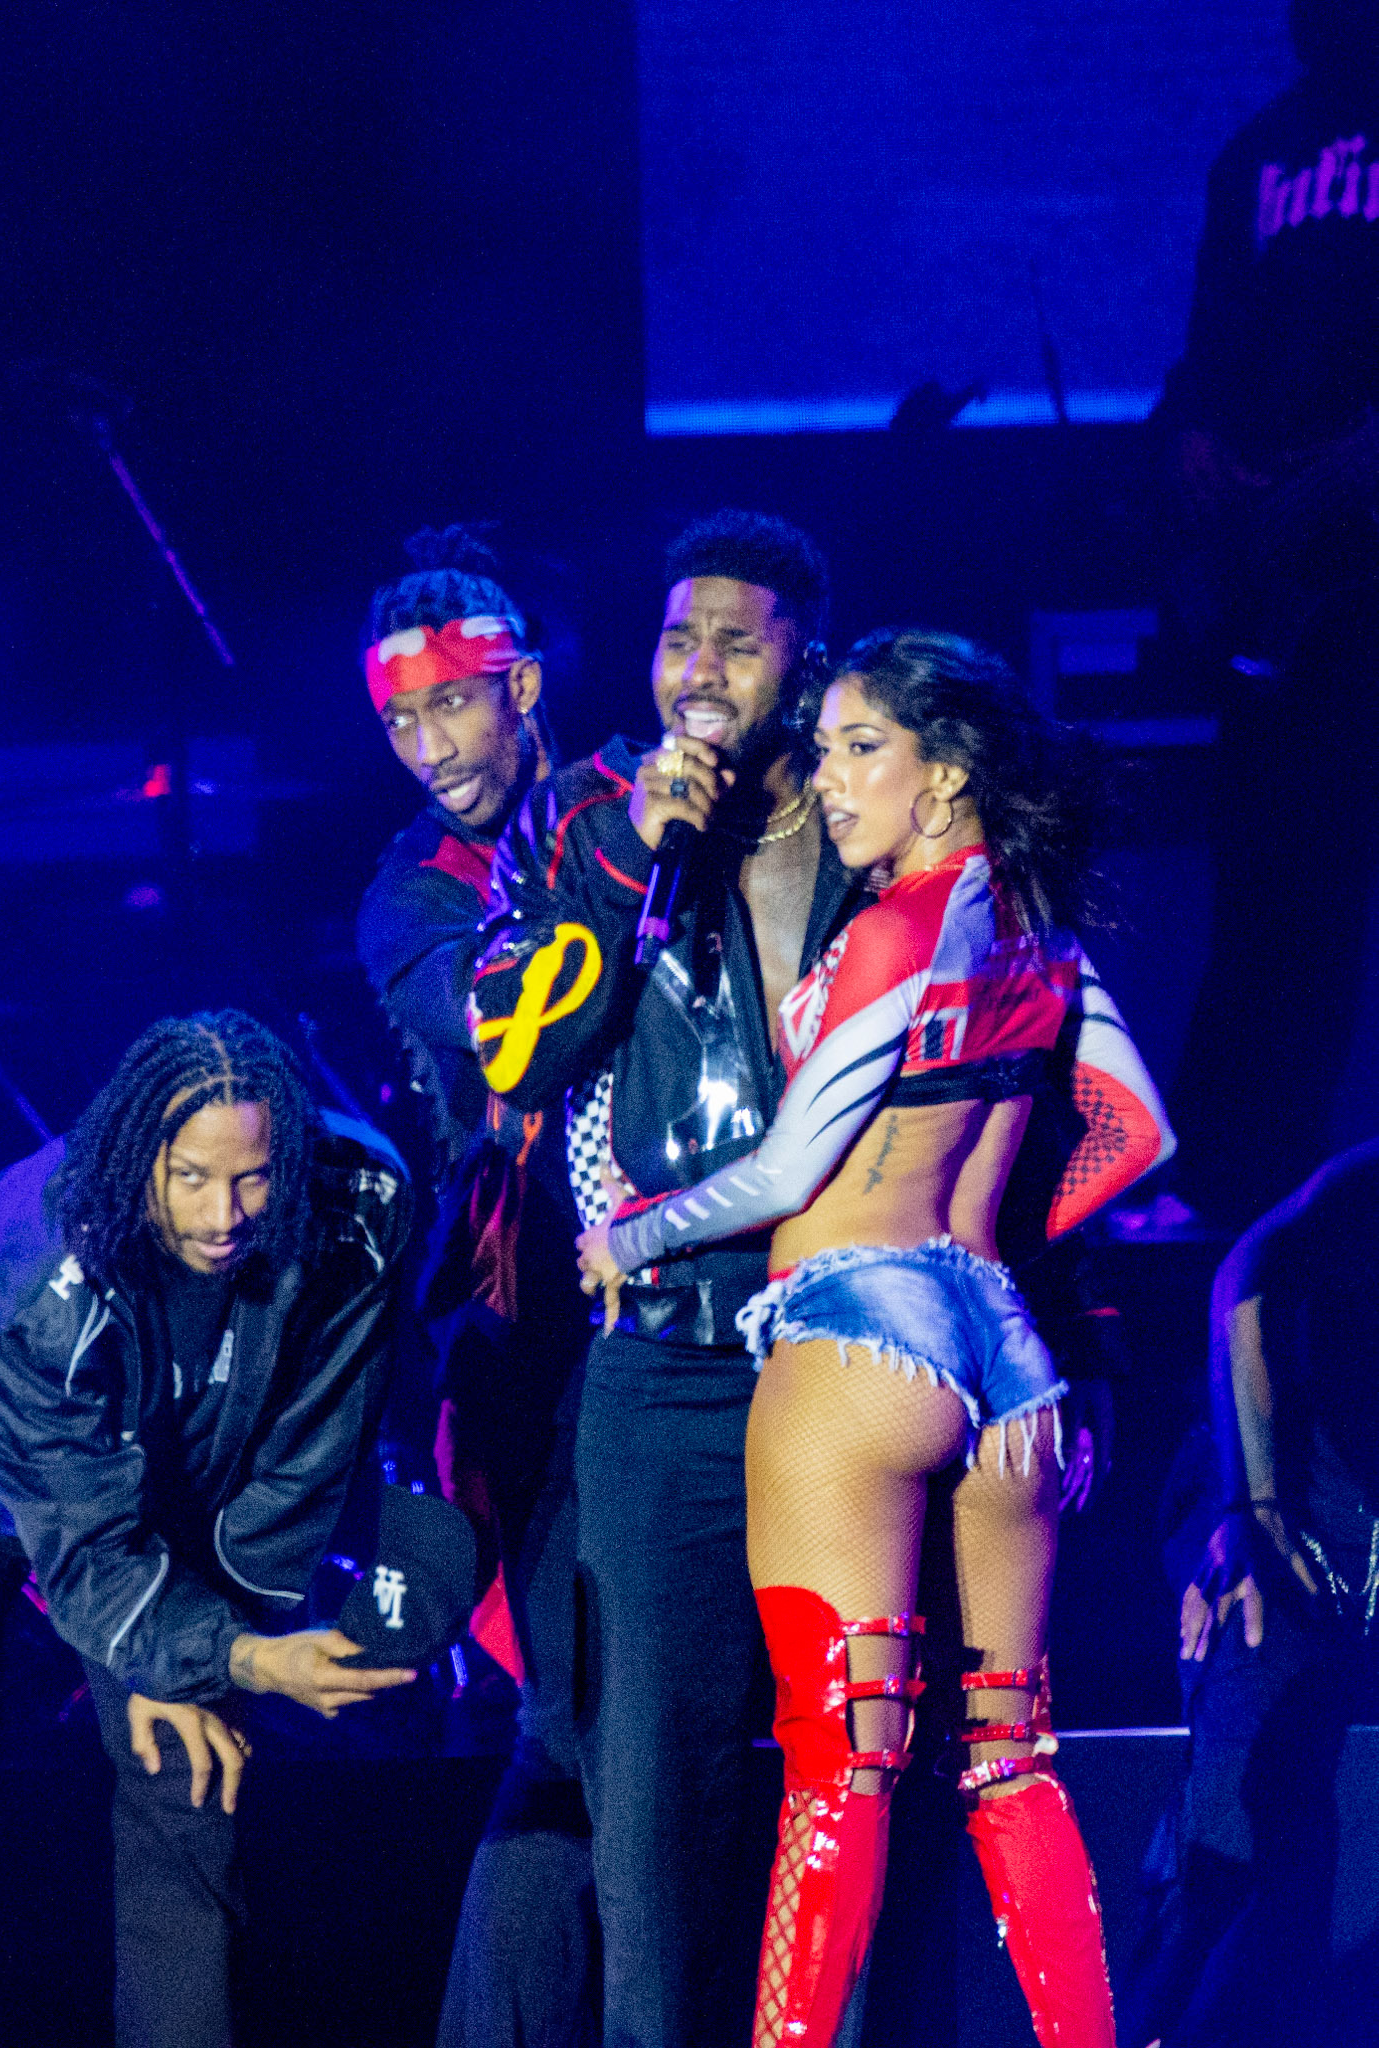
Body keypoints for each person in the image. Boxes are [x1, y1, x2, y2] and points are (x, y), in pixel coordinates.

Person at [575, 630, 1175, 2048]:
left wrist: (635, 1235)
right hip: (1003, 1357)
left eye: (862, 749)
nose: (832, 778)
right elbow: (1139, 1132)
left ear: (944, 774)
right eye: (828, 746)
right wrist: (994, 1240)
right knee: (1012, 1757)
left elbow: (790, 1167)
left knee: (838, 1765)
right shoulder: (1040, 928)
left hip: (857, 1341)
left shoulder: (898, 926)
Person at [0, 1010, 416, 2048]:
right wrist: (217, 1652)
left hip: (142, 1474)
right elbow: (78, 1540)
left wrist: (207, 1650)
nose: (225, 1215)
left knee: (188, 1778)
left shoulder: (358, 1203)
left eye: (254, 1177)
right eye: (191, 1178)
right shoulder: (42, 1269)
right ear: (140, 1159)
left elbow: (305, 1451)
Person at [469, 509, 861, 2046]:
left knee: (852, 1773)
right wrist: (636, 851)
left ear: (802, 665)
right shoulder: (583, 818)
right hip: (664, 1361)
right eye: (676, 639)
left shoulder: (867, 808)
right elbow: (514, 1051)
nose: (697, 670)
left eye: (735, 644)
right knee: (649, 1804)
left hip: (844, 1351)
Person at [355, 527, 600, 2047]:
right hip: (526, 1338)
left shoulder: (615, 803)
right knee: (567, 1722)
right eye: (400, 720)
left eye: (451, 704)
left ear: (520, 685)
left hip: (687, 1317)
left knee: (645, 1728)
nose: (430, 748)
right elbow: (517, 1021)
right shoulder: (410, 895)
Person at [1160, 0, 1379, 1226]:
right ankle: (1238, 1197)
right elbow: (1211, 346)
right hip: (1292, 595)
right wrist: (1193, 433)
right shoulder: (1256, 154)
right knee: (1271, 906)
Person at [1124, 1137, 1379, 2048]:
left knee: (1296, 1836)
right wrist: (1251, 1507)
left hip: (1353, 1527)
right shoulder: (1364, 1182)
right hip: (1281, 1508)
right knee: (1232, 1819)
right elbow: (1245, 1274)